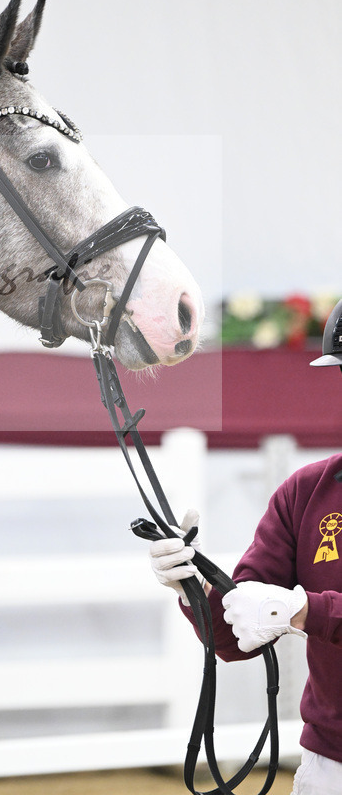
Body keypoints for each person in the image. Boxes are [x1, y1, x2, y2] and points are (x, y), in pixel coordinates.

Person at [150, 298, 342, 795]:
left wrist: (302, 610)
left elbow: (292, 611)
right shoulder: (305, 493)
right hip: (331, 763)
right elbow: (236, 638)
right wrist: (193, 585)